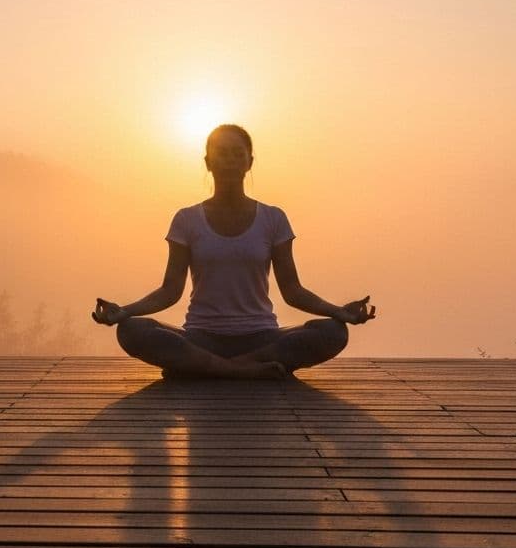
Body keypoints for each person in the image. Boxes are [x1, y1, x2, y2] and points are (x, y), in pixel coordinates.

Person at [92, 124, 375, 379]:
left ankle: (208, 367)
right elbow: (170, 290)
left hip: (262, 338)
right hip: (201, 337)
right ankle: (242, 370)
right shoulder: (186, 219)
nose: (229, 161)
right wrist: (123, 312)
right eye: (221, 153)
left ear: (249, 162)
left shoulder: (273, 219)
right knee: (132, 330)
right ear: (208, 162)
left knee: (332, 331)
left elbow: (292, 290)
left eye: (237, 154)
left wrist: (339, 312)